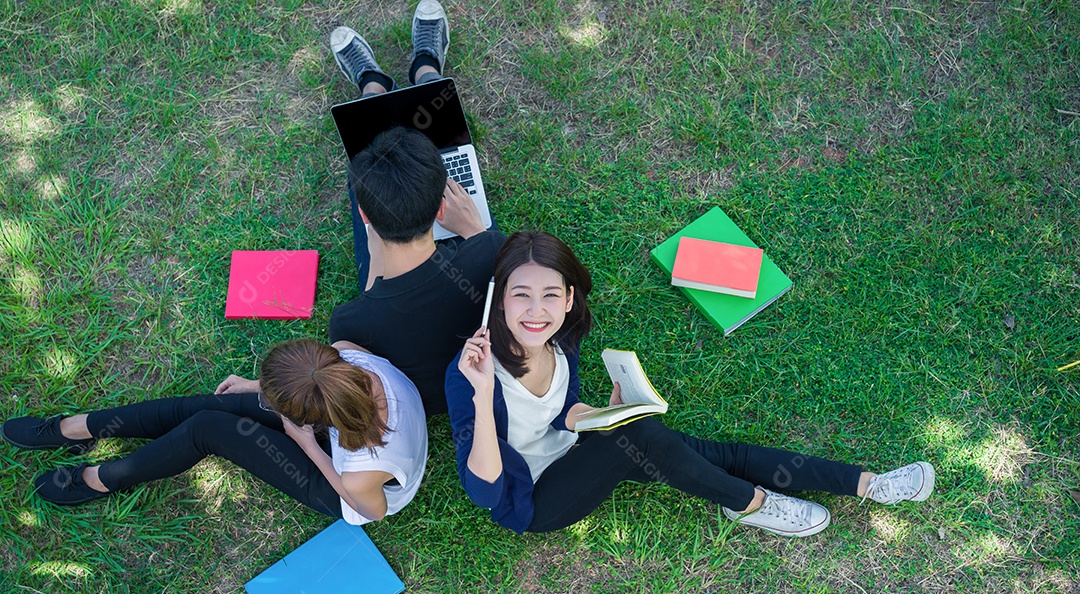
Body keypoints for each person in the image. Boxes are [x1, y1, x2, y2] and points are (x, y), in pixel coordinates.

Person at [445, 231, 936, 537]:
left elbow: (560, 410)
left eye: (551, 295)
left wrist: (602, 416)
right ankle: (750, 504)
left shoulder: (561, 342)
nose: (536, 311)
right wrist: (483, 396)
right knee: (639, 439)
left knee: (705, 452)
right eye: (521, 295)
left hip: (580, 446)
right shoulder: (469, 372)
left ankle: (867, 483)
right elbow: (485, 492)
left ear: (571, 298)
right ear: (498, 299)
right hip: (534, 497)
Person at [2, 340, 427, 525]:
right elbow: (319, 378)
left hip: (344, 490)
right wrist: (260, 387)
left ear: (310, 418)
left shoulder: (363, 467)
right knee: (207, 406)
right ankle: (78, 427)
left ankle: (101, 479)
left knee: (209, 429)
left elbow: (373, 512)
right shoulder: (348, 358)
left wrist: (304, 445)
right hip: (335, 425)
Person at [327, 1, 507, 415]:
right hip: (469, 377)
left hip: (425, 388)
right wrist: (476, 232)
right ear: (443, 202)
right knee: (434, 149)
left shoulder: (351, 322)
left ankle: (372, 89)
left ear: (365, 218)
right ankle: (426, 70)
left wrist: (374, 271)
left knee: (370, 177)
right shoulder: (489, 252)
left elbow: (370, 318)